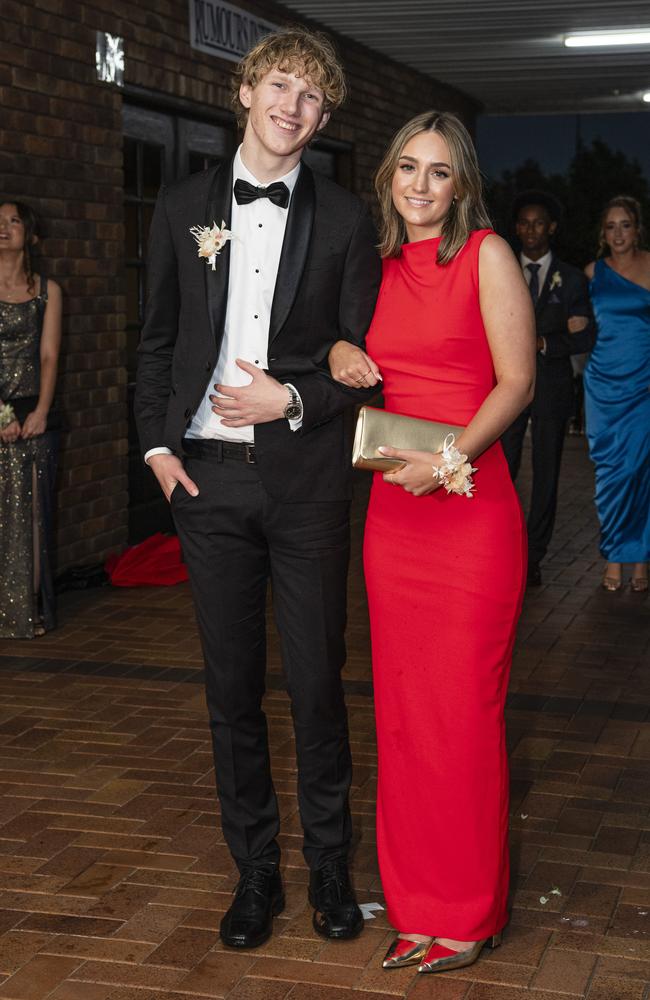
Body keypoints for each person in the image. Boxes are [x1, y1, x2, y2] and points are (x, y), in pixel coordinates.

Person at [134, 28, 381, 950]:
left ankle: (328, 871)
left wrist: (293, 398)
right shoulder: (181, 205)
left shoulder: (350, 220)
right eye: (280, 85)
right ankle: (256, 875)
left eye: (312, 98)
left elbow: (369, 365)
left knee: (317, 686)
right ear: (246, 90)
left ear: (322, 117)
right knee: (232, 693)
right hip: (206, 485)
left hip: (309, 487)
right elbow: (156, 339)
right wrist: (157, 451)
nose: (293, 107)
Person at [328, 111, 535, 975]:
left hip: (468, 509)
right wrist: (341, 348)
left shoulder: (485, 255)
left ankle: (470, 912)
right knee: (406, 718)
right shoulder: (372, 268)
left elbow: (518, 381)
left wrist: (447, 457)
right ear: (388, 179)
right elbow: (338, 346)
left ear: (462, 185)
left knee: (464, 715)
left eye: (438, 172)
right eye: (407, 168)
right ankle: (415, 906)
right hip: (394, 519)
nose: (420, 185)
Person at [500, 191, 596, 586]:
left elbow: (585, 335)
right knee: (502, 472)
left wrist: (544, 343)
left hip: (552, 390)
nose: (530, 230)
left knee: (545, 476)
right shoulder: (500, 268)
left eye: (539, 223)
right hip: (505, 390)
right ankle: (502, 552)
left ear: (551, 228)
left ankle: (532, 558)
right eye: (524, 223)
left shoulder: (570, 277)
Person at [0, 201, 62, 639]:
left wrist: (40, 411)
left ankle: (29, 610)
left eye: (13, 221)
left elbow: (48, 354)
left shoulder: (47, 290)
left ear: (29, 233)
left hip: (33, 410)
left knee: (35, 513)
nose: (3, 228)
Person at [584, 195, 650, 592]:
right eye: (611, 226)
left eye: (625, 224)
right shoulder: (592, 273)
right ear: (603, 233)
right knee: (610, 473)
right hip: (603, 386)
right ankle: (613, 555)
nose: (618, 233)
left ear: (637, 228)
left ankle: (640, 561)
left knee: (640, 470)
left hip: (645, 384)